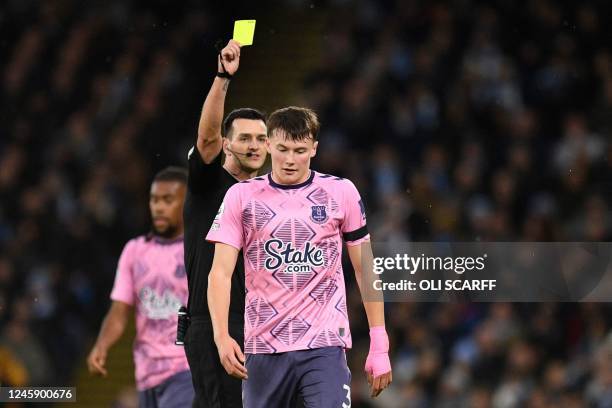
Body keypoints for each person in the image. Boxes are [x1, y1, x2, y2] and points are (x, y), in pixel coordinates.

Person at [207, 107, 393, 407]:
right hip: (263, 347)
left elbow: (365, 268)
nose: (290, 159)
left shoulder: (340, 192)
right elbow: (219, 273)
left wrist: (379, 340)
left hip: (324, 345)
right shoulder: (241, 197)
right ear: (268, 144)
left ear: (314, 149)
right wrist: (221, 336)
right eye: (282, 149)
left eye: (299, 150)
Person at [182, 39, 267, 407]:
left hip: (261, 323)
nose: (253, 145)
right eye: (244, 138)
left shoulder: (270, 196)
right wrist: (222, 78)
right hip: (213, 322)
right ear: (227, 145)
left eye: (261, 138)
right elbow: (206, 137)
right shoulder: (208, 183)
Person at [87, 166, 194, 408]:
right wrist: (102, 344)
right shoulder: (134, 251)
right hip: (146, 373)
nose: (159, 206)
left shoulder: (200, 250)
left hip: (186, 370)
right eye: (154, 199)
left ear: (187, 203)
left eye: (168, 200)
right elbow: (119, 310)